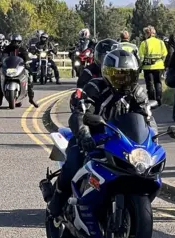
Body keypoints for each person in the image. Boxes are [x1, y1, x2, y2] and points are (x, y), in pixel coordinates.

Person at [46, 49, 157, 218]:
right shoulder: (94, 87)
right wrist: (84, 136)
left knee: (141, 170)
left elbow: (147, 118)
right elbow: (78, 115)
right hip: (93, 136)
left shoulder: (137, 92)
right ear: (107, 73)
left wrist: (153, 139)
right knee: (74, 160)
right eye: (118, 75)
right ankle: (57, 202)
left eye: (127, 75)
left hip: (121, 140)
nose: (123, 80)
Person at [1, 34, 39, 108]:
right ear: (11, 41)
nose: (15, 43)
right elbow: (3, 56)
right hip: (9, 68)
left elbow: (26, 57)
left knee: (29, 79)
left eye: (17, 42)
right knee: (1, 79)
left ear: (20, 42)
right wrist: (1, 61)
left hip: (20, 68)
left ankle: (31, 99)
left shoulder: (22, 49)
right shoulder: (7, 49)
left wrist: (27, 62)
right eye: (14, 42)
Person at [138, 25, 168, 106]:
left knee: (149, 84)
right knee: (158, 83)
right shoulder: (161, 42)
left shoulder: (144, 43)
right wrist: (162, 62)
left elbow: (141, 57)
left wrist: (140, 66)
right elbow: (165, 54)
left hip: (148, 68)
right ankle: (159, 99)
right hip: (159, 66)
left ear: (147, 34)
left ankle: (151, 100)